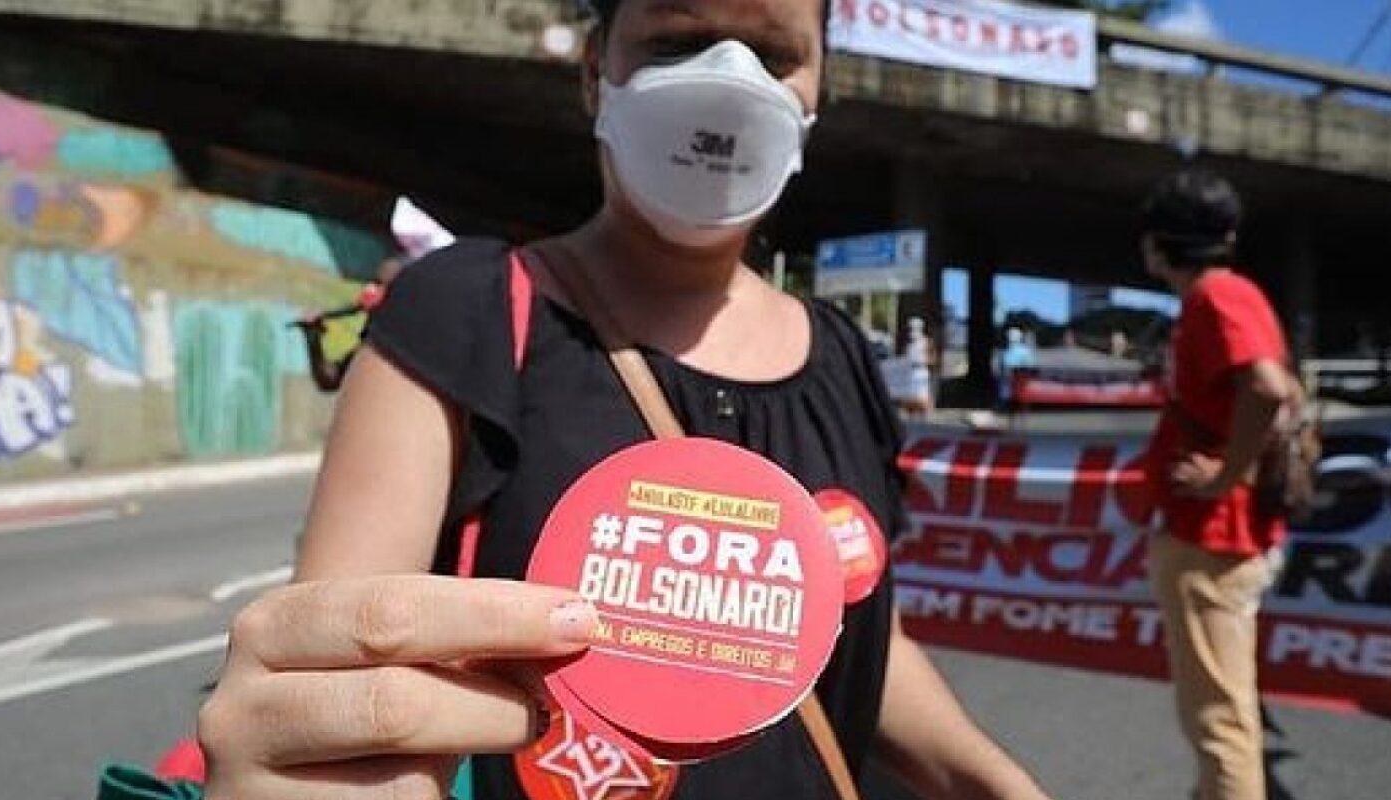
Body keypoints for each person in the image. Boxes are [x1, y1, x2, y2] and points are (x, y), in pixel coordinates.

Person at [199, 2, 1052, 799]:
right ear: (593, 73)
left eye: (776, 53)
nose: (729, 76)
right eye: (676, 41)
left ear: (817, 91)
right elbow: (341, 668)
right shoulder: (465, 311)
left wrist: (999, 784)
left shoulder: (844, 359)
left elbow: (861, 637)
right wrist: (298, 752)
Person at [1138, 169, 1296, 800]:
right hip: (1212, 533)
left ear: (1157, 244)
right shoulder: (1225, 296)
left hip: (1212, 535)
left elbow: (1267, 385)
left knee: (1220, 723)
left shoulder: (1218, 297)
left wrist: (1227, 475)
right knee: (1221, 715)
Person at [292, 254, 406, 392]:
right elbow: (356, 307)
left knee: (331, 380)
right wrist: (321, 317)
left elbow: (355, 308)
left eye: (380, 281)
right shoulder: (376, 292)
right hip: (374, 347)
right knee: (330, 379)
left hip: (388, 349)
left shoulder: (402, 296)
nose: (373, 285)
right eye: (376, 281)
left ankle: (313, 334)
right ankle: (313, 336)